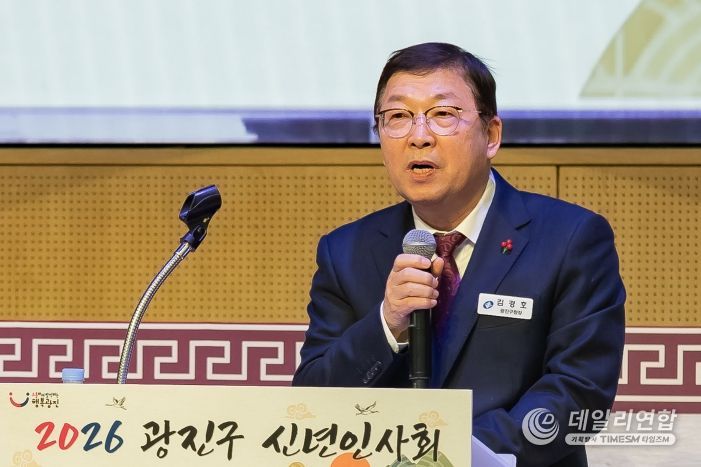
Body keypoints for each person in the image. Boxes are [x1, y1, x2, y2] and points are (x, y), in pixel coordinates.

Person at [292, 42, 625, 467]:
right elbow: (313, 400)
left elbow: (579, 391)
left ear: (491, 135)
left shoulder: (570, 238)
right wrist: (386, 324)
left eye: (442, 115)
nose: (419, 136)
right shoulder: (345, 251)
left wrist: (448, 456)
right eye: (397, 117)